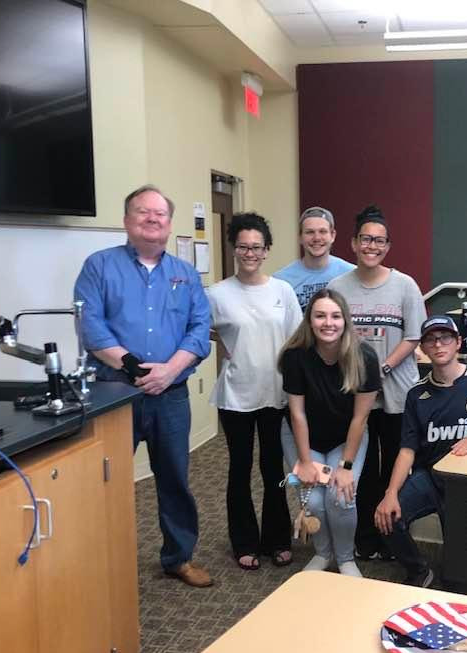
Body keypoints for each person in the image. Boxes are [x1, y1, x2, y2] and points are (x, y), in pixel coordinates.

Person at [75, 184, 213, 587]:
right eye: (143, 211)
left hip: (171, 396)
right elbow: (90, 325)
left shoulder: (185, 274)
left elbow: (199, 329)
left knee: (175, 480)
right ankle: (102, 563)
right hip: (115, 394)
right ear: (126, 220)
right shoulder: (99, 266)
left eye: (160, 213)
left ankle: (178, 558)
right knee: (107, 481)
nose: (152, 218)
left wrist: (169, 371)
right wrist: (134, 368)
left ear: (169, 224)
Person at [327, 204, 427, 562]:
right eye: (366, 239)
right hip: (356, 397)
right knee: (364, 468)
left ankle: (392, 537)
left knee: (395, 469)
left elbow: (413, 336)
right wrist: (360, 375)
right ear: (354, 243)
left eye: (380, 241)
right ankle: (366, 537)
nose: (372, 246)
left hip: (397, 394)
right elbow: (331, 335)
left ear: (388, 246)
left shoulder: (405, 286)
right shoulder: (337, 287)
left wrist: (381, 367)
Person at [374, 315, 467, 587]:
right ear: (422, 348)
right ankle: (419, 571)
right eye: (431, 340)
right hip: (430, 477)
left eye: (445, 338)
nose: (439, 345)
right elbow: (407, 450)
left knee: (460, 576)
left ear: (458, 343)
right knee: (388, 517)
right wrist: (390, 493)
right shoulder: (416, 394)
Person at [208, 212, 302, 571]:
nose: (250, 253)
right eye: (243, 247)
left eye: (257, 247)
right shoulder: (217, 294)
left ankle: (277, 539)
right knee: (240, 469)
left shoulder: (282, 291)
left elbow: (296, 339)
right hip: (236, 396)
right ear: (234, 248)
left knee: (273, 467)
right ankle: (244, 542)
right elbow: (199, 330)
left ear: (266, 251)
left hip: (275, 393)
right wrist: (225, 343)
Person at [278, 288, 380, 576]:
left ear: (345, 320)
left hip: (345, 439)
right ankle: (323, 553)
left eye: (335, 316)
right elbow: (297, 414)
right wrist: (305, 462)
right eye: (320, 316)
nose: (328, 323)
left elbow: (360, 418)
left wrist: (345, 467)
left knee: (341, 496)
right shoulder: (295, 356)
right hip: (302, 437)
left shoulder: (365, 357)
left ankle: (345, 558)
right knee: (313, 499)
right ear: (310, 321)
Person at [273, 206, 355, 310]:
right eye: (310, 232)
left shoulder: (351, 273)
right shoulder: (281, 280)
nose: (317, 238)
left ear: (333, 235)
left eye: (323, 231)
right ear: (300, 237)